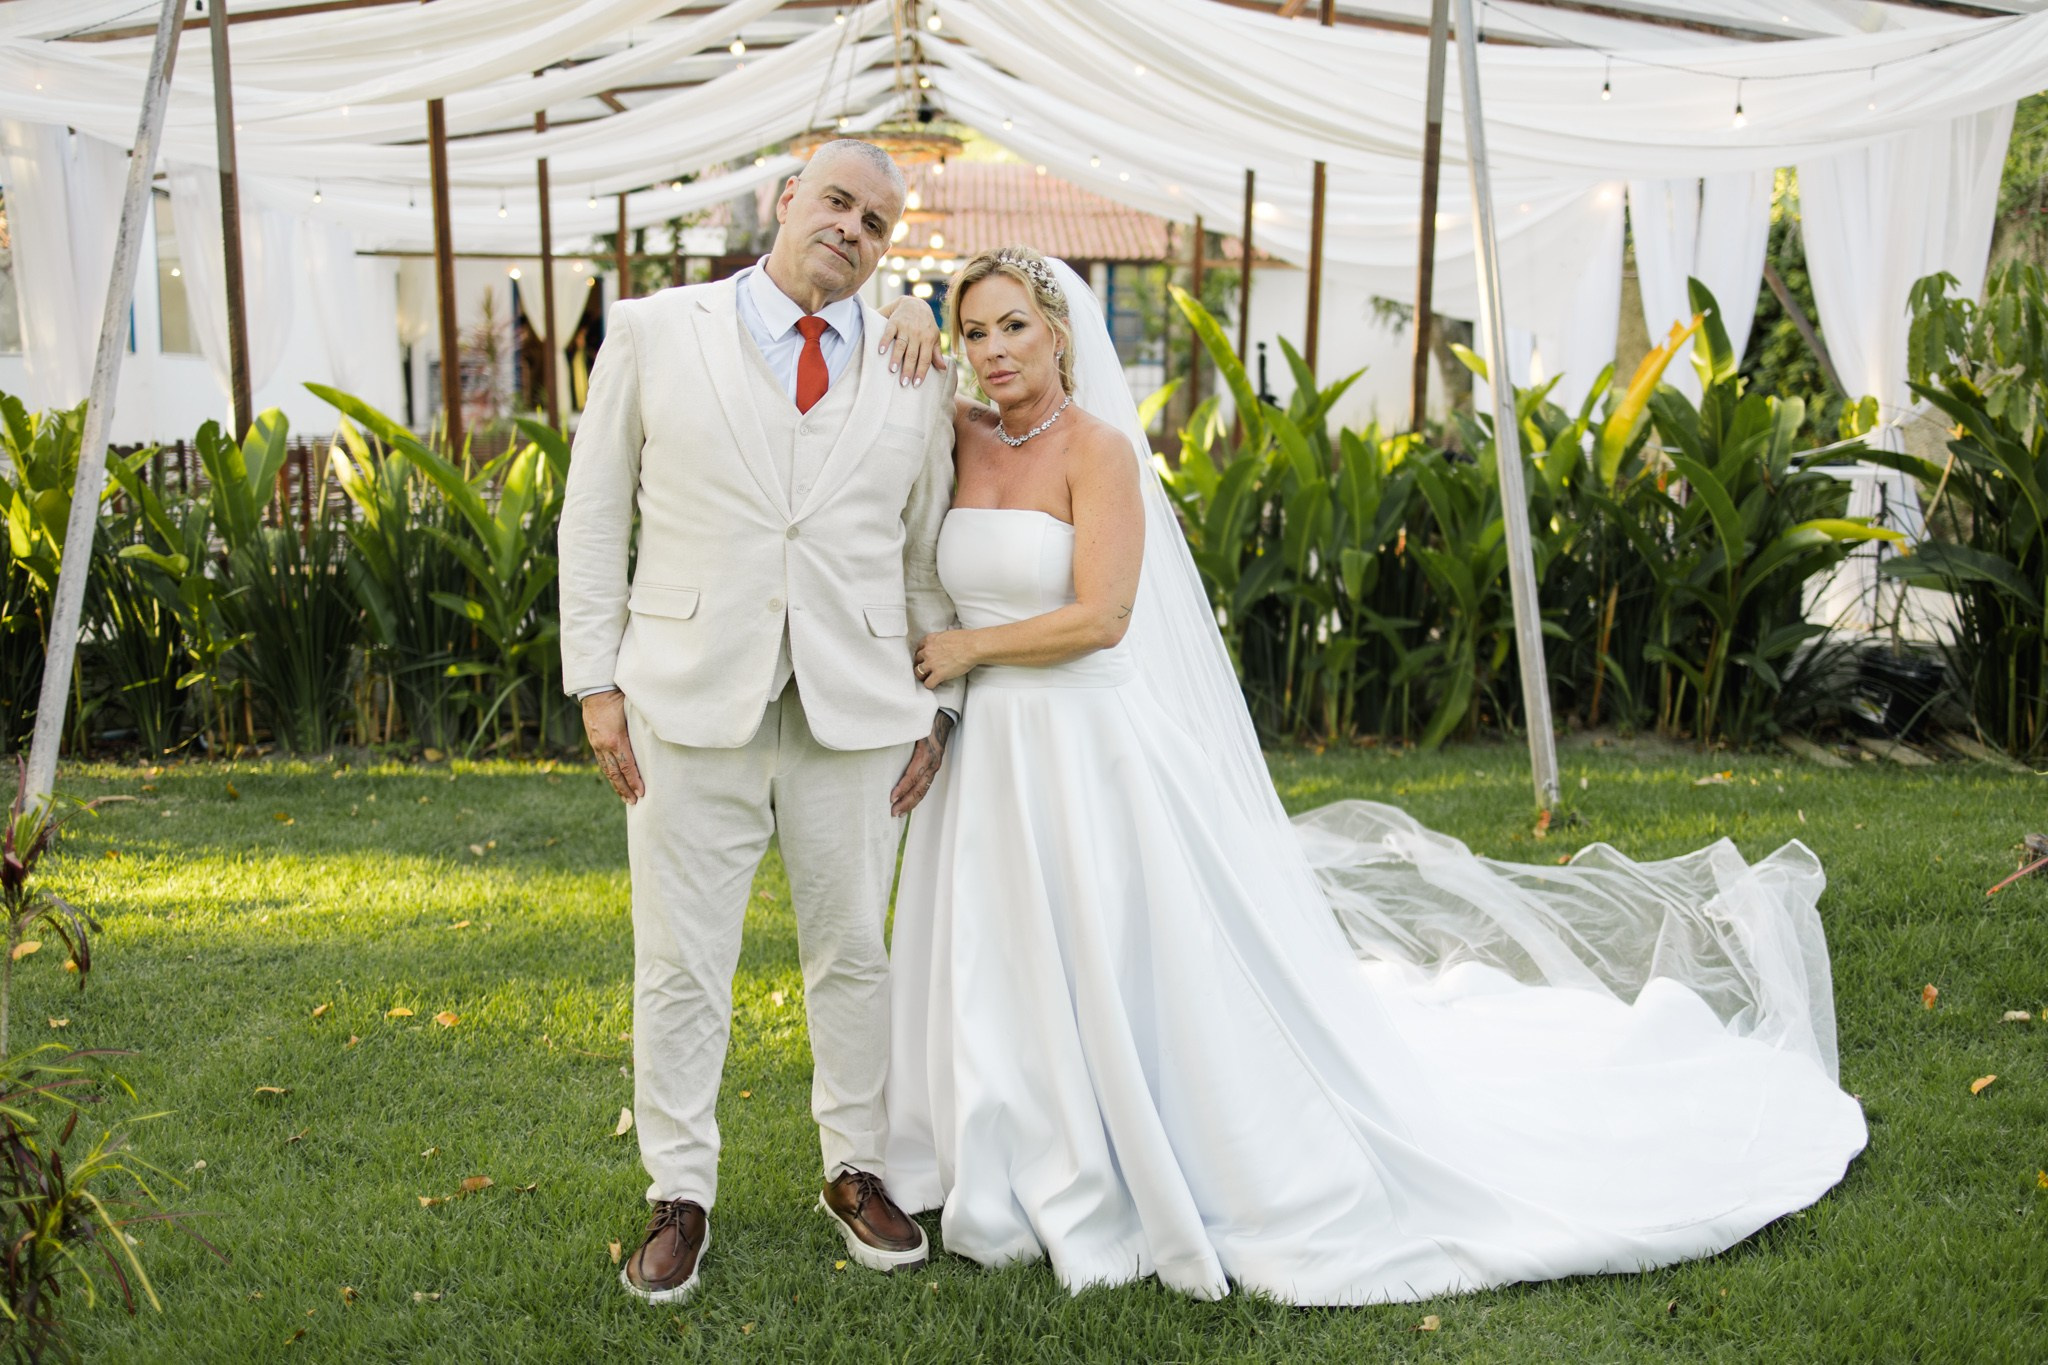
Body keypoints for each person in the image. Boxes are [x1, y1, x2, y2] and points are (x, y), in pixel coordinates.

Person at [883, 246, 1869, 1306]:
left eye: (1011, 328)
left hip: (1082, 750)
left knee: (1107, 950)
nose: (992, 351)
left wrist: (972, 653)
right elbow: (882, 386)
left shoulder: (1099, 452)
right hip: (986, 755)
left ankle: (1119, 1147)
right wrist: (900, 301)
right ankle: (998, 1143)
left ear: (1058, 331)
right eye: (973, 331)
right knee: (997, 951)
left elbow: (1104, 618)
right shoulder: (958, 432)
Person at [558, 139, 961, 1305]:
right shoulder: (650, 328)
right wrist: (596, 682)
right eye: (836, 200)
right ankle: (677, 1189)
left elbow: (924, 550)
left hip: (860, 710)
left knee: (856, 954)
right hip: (686, 695)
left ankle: (855, 1168)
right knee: (681, 961)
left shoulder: (911, 362)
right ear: (786, 197)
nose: (851, 226)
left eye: (877, 222)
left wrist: (934, 708)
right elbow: (592, 522)